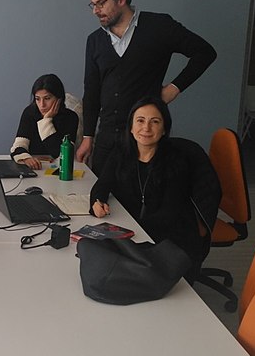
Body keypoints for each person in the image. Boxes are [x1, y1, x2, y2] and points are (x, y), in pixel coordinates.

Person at [77, 0, 217, 175]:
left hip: (146, 140)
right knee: (101, 192)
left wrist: (173, 89)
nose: (95, 10)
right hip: (107, 139)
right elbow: (91, 91)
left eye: (101, 3)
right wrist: (88, 137)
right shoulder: (95, 40)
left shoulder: (159, 27)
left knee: (144, 192)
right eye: (93, 4)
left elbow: (205, 52)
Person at [89, 97, 221, 280]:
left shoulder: (176, 161)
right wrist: (97, 202)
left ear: (164, 128)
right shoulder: (121, 152)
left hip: (167, 241)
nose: (146, 128)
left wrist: (129, 236)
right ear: (131, 127)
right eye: (140, 120)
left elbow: (168, 215)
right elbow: (102, 185)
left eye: (155, 122)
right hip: (133, 233)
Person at [10, 74, 79, 170]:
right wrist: (26, 158)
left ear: (59, 99)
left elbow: (62, 154)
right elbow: (18, 145)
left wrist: (46, 121)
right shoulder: (29, 113)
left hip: (60, 169)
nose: (42, 105)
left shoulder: (71, 117)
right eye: (37, 99)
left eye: (47, 98)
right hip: (34, 168)